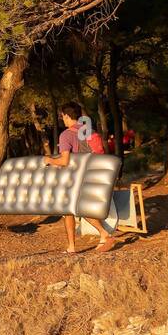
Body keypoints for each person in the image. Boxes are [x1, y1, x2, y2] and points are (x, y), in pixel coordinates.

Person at [44, 102, 117, 254]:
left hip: (77, 178)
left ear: (66, 115)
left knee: (73, 209)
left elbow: (64, 161)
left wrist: (49, 160)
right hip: (94, 175)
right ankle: (72, 247)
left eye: (62, 115)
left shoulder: (66, 135)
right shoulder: (88, 131)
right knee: (69, 210)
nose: (62, 118)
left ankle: (104, 234)